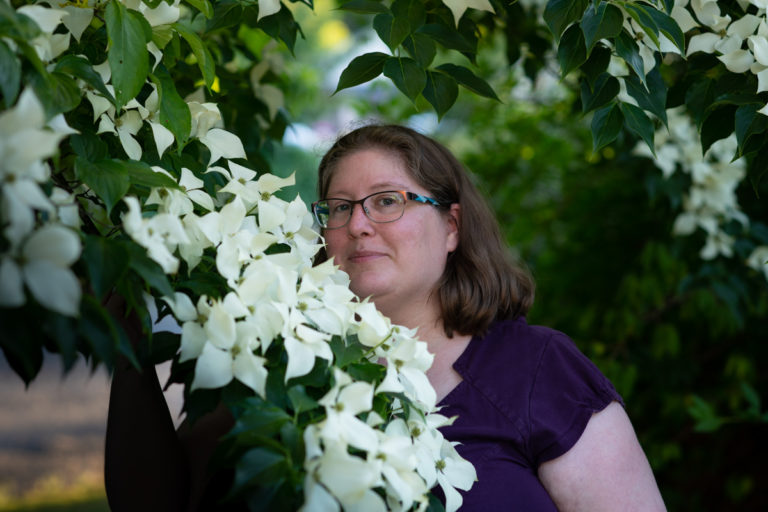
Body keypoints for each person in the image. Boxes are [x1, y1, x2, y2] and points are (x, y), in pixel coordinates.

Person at [312, 123, 666, 511]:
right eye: (341, 207)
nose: (357, 225)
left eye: (387, 201)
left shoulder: (538, 369)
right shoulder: (298, 376)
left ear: (451, 227)